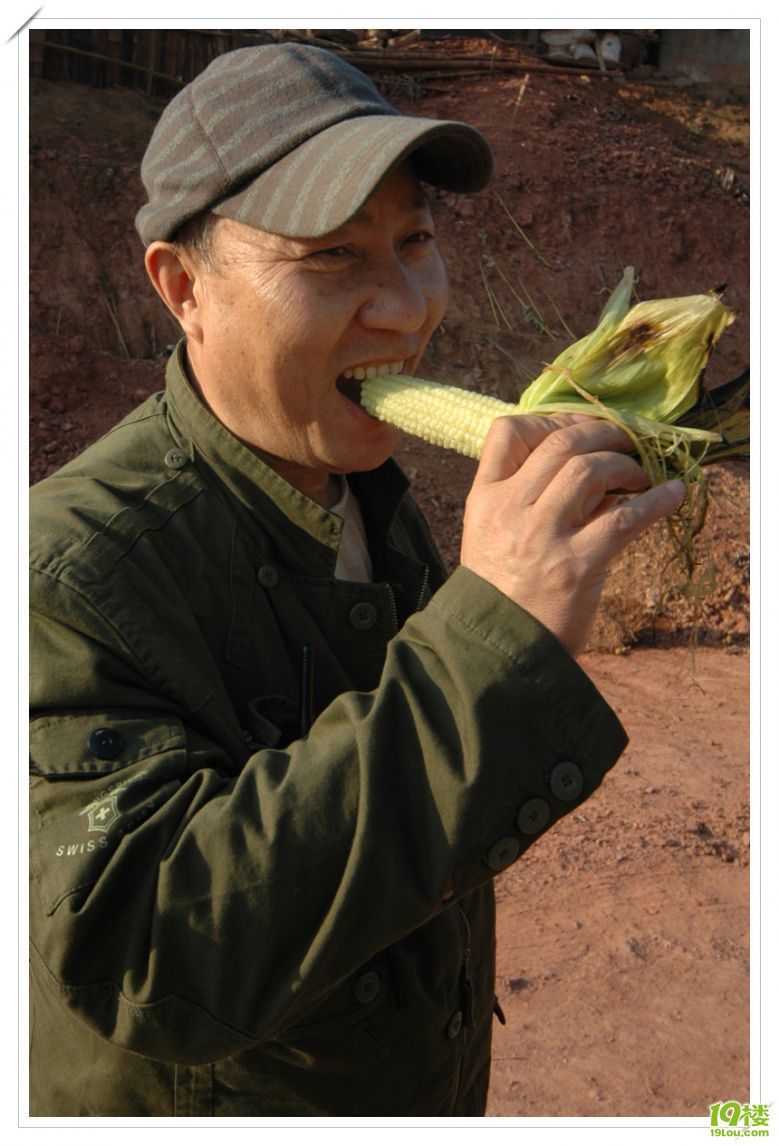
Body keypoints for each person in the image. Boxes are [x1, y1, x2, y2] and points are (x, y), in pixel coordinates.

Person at [28, 42, 685, 1118]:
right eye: (330, 258)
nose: (403, 307)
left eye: (414, 240)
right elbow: (147, 952)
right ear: (183, 287)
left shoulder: (358, 499)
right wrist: (492, 638)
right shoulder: (62, 573)